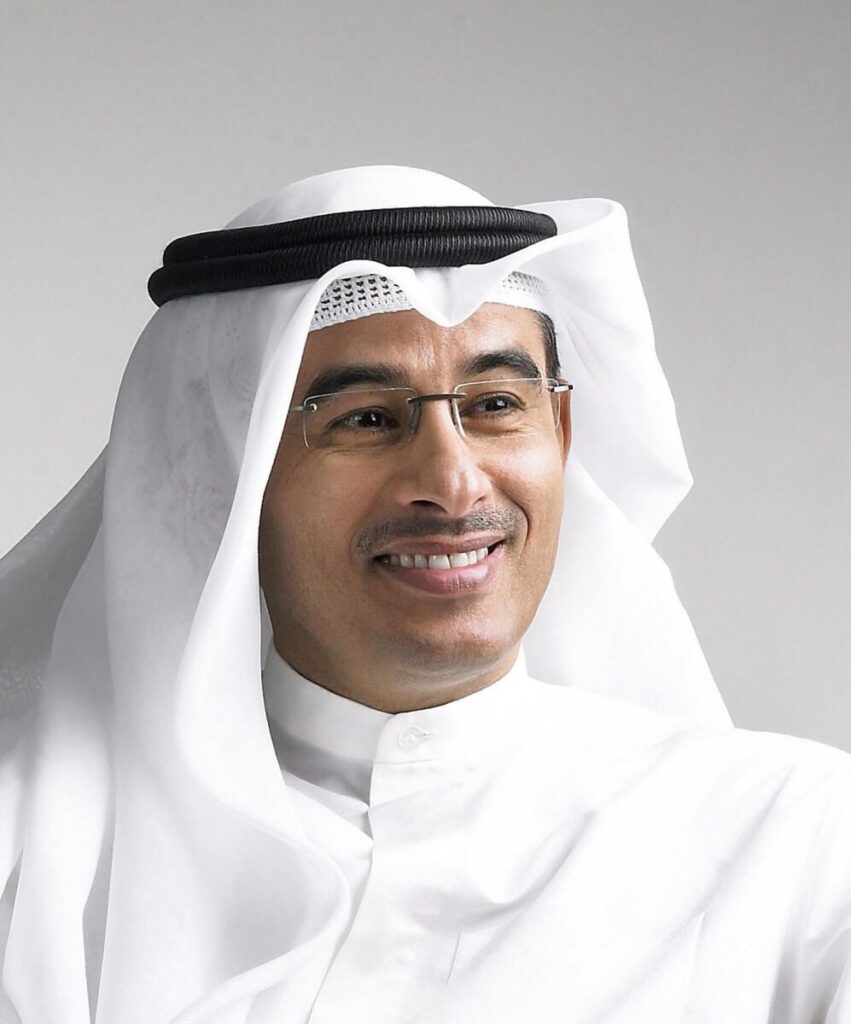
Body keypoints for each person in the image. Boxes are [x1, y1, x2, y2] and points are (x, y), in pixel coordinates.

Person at [0, 166, 848, 1024]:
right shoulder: (32, 859)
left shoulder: (797, 846)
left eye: (494, 404)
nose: (451, 482)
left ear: (560, 433)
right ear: (223, 470)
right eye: (366, 418)